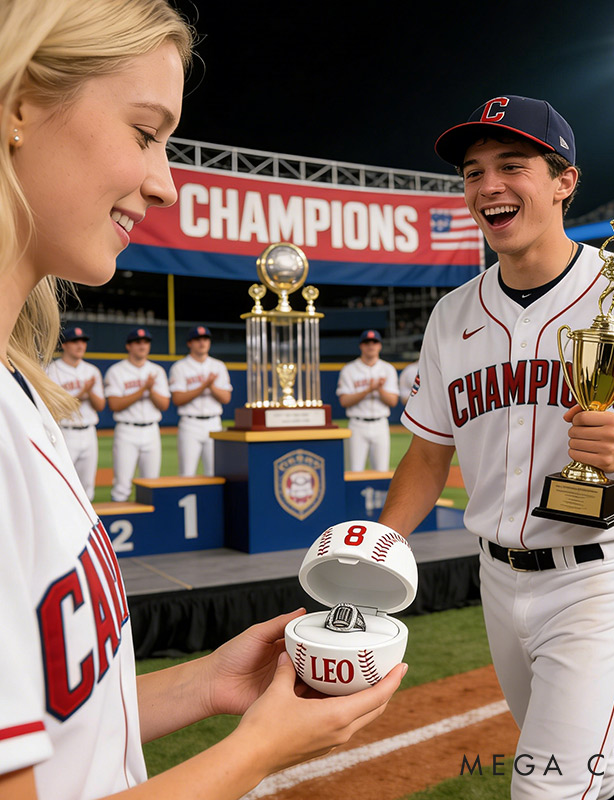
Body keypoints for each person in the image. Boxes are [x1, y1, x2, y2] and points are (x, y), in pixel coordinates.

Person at [0, 3, 404, 799]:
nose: (164, 183)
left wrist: (207, 683)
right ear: (19, 106)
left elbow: (64, 715)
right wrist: (255, 753)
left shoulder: (19, 389)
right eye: (145, 132)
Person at [378, 95, 614, 800]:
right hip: (496, 577)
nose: (489, 185)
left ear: (565, 180)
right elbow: (428, 454)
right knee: (592, 773)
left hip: (595, 579)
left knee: (546, 787)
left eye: (512, 166)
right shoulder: (451, 313)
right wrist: (379, 546)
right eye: (473, 172)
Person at [104, 327, 170, 501]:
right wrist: (143, 389)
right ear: (129, 346)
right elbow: (115, 404)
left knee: (151, 483)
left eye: (146, 342)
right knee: (122, 486)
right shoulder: (116, 371)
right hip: (127, 431)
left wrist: (150, 390)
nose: (142, 346)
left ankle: (149, 518)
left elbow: (164, 404)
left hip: (151, 430)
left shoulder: (157, 371)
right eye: (137, 342)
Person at [45, 326, 106, 501]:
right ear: (64, 345)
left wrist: (88, 392)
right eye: (75, 341)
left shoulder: (92, 370)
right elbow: (55, 407)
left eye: (83, 341)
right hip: (65, 431)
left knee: (87, 486)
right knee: (62, 482)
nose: (80, 345)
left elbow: (100, 405)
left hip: (89, 431)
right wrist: (83, 391)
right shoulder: (51, 370)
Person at [169, 325, 232, 476]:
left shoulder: (218, 366)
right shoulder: (180, 367)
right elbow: (177, 399)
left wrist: (211, 386)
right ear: (189, 343)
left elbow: (226, 398)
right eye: (197, 339)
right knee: (187, 473)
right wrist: (204, 386)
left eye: (205, 339)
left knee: (214, 472)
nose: (202, 342)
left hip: (214, 422)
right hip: (190, 424)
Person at [336, 329, 399, 471]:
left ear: (380, 345)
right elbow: (344, 401)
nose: (371, 346)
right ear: (361, 346)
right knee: (355, 470)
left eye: (374, 342)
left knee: (381, 471)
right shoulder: (349, 369)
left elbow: (393, 401)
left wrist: (379, 389)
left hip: (380, 424)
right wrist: (368, 390)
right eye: (367, 342)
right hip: (357, 425)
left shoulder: (388, 369)